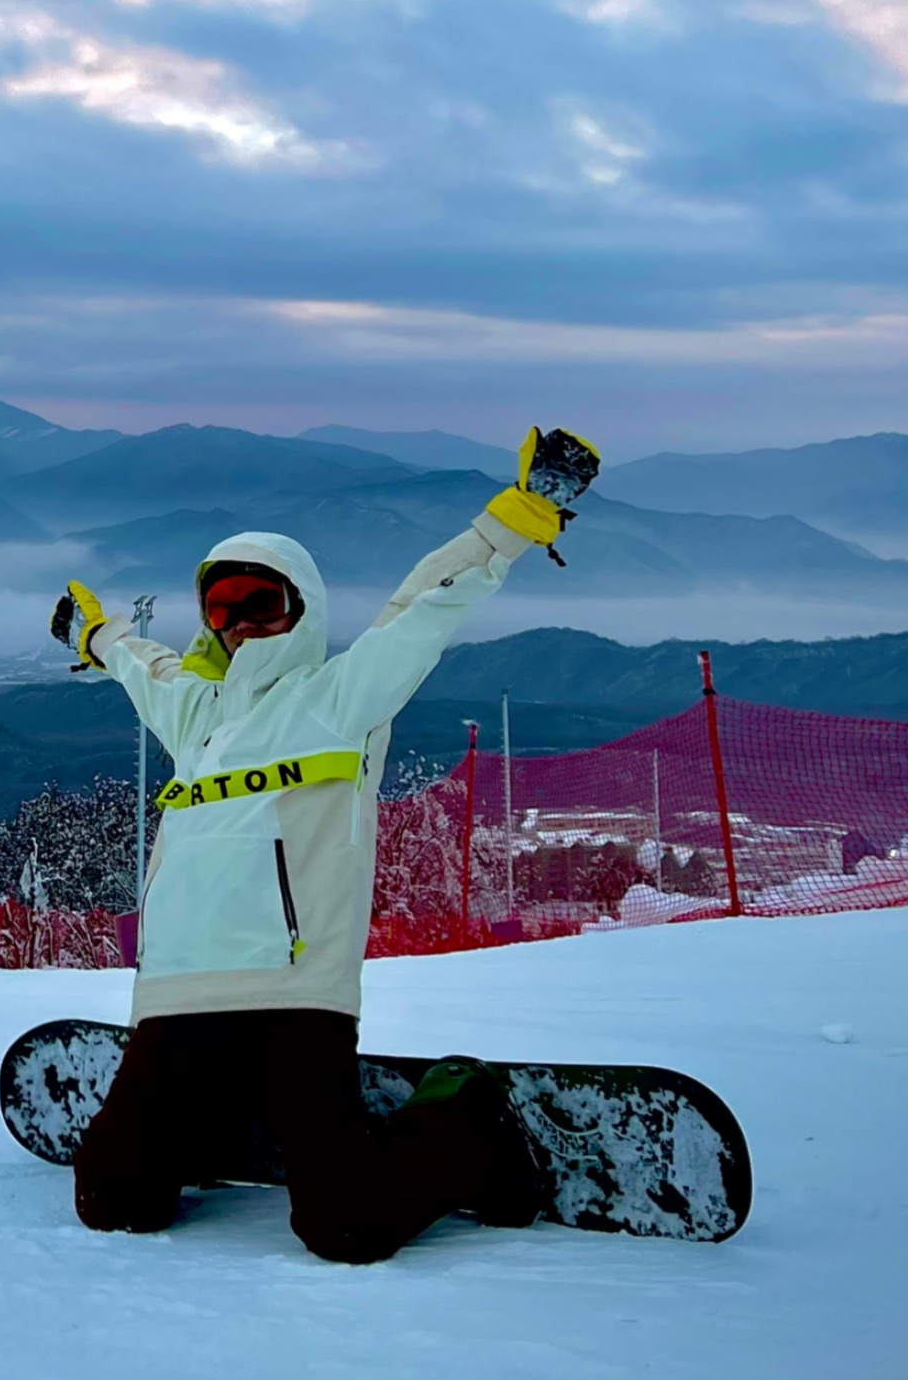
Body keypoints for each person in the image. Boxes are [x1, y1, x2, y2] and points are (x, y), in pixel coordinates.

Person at [47, 426, 599, 1264]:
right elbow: (142, 665)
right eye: (222, 607)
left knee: (345, 1224)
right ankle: (213, 1114)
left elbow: (423, 606)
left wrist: (516, 521)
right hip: (179, 988)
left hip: (296, 986)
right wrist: (95, 639)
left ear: (299, 609)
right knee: (113, 1198)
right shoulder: (196, 712)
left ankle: (467, 1121)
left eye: (258, 603)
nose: (238, 624)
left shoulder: (341, 698)